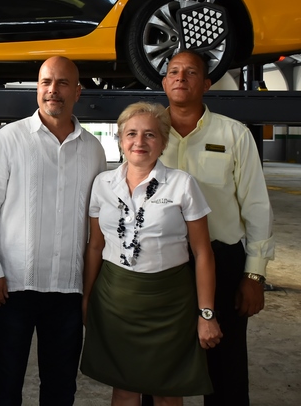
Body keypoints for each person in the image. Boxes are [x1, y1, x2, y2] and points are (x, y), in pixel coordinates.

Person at [0, 56, 107, 406]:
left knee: (61, 387)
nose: (53, 90)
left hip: (67, 290)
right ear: (37, 88)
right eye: (46, 82)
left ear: (77, 91)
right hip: (11, 287)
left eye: (62, 83)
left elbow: (98, 223)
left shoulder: (93, 150)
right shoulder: (8, 140)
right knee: (5, 383)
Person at [80, 102, 222, 405]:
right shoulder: (102, 184)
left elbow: (203, 252)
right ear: (120, 139)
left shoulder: (183, 185)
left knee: (168, 391)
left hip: (169, 304)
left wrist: (206, 314)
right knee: (124, 389)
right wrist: (87, 298)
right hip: (115, 301)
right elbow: (95, 246)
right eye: (131, 133)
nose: (139, 142)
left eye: (150, 135)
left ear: (164, 142)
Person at [155, 50, 275, 406]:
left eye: (190, 72)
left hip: (221, 261)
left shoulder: (234, 134)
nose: (180, 77)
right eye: (173, 71)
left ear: (206, 84)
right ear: (163, 83)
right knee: (157, 364)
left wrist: (254, 275)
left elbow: (256, 206)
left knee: (226, 366)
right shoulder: (148, 133)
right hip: (162, 266)